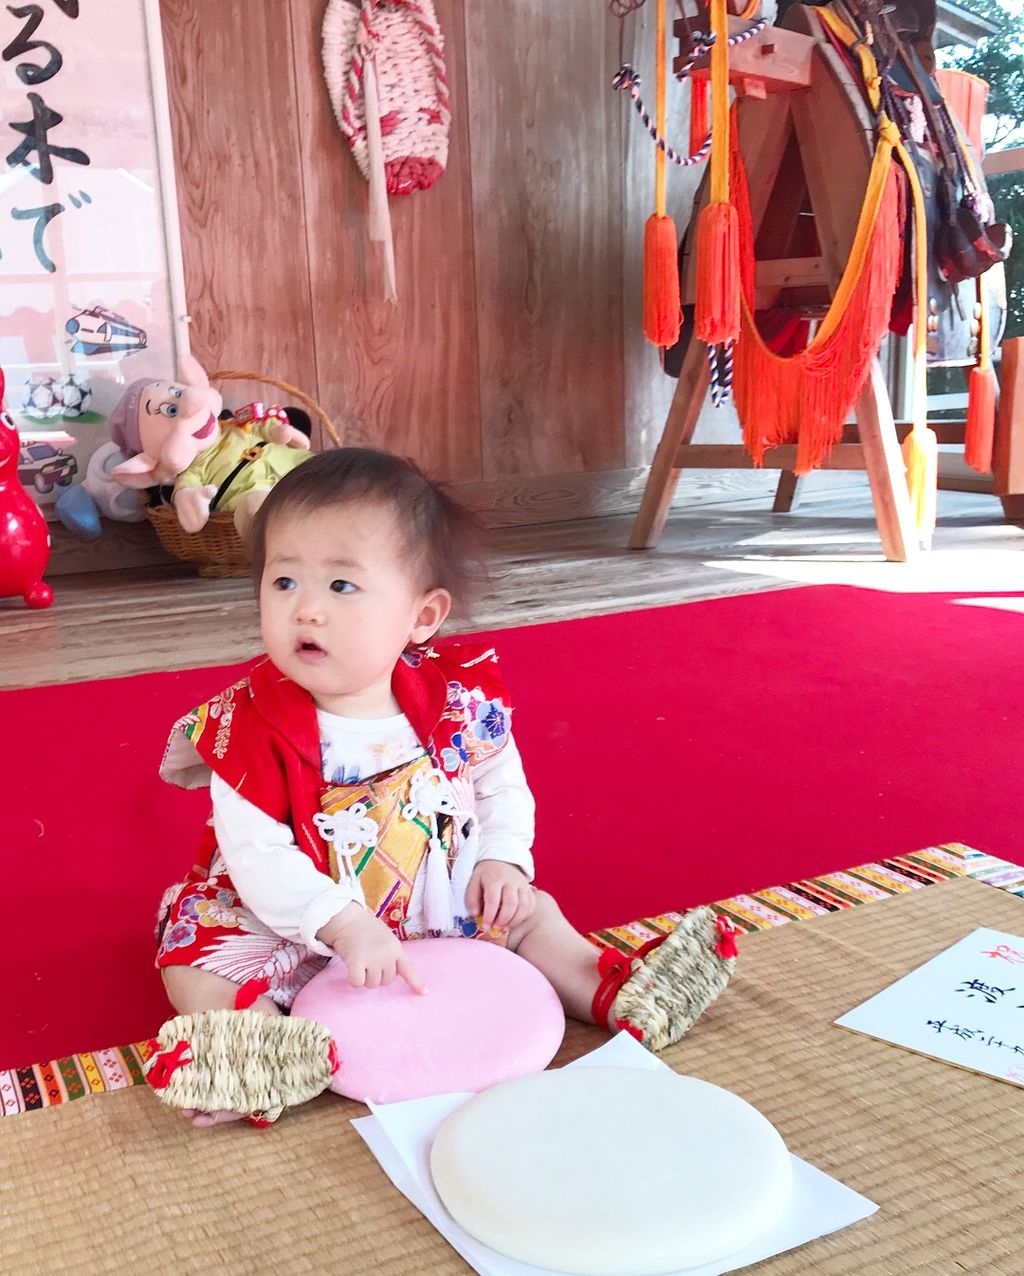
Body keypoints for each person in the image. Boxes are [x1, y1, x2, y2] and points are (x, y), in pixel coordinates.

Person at [155, 448, 735, 1126]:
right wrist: (342, 926)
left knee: (531, 915)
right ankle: (262, 1047)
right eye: (284, 582)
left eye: (341, 586)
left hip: (442, 894)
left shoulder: (458, 700)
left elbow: (500, 786)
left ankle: (615, 989)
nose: (306, 611)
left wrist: (502, 859)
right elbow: (258, 857)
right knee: (192, 951)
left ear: (422, 617)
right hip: (299, 918)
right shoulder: (248, 726)